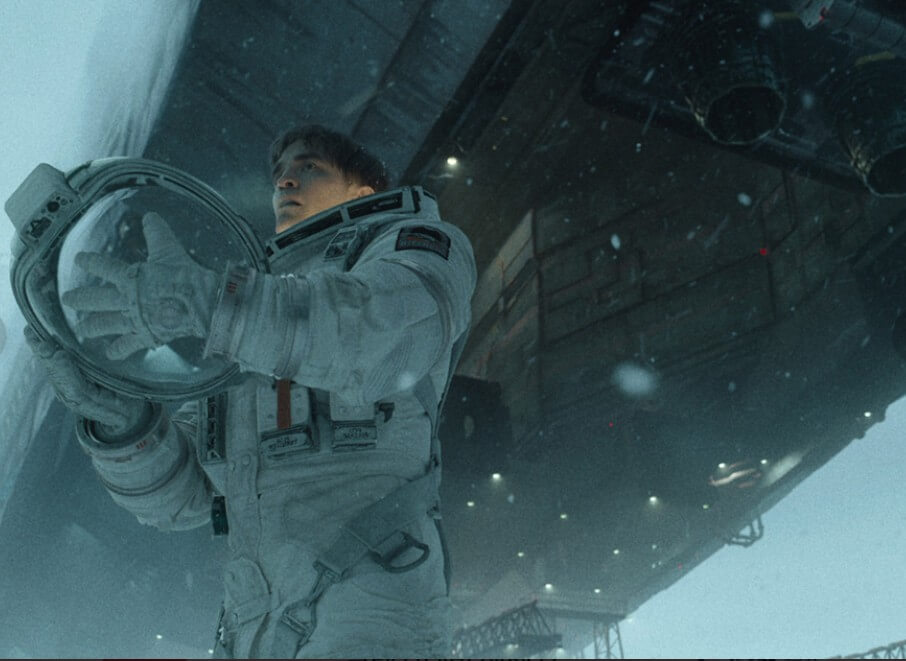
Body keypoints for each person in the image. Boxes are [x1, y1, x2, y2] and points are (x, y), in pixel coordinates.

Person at [24, 124, 477, 658]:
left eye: (310, 167)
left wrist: (214, 302)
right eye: (280, 173)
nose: (285, 181)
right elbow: (185, 496)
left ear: (363, 191)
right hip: (257, 633)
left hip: (374, 620)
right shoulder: (253, 323)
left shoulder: (418, 246)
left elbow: (370, 333)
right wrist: (123, 425)